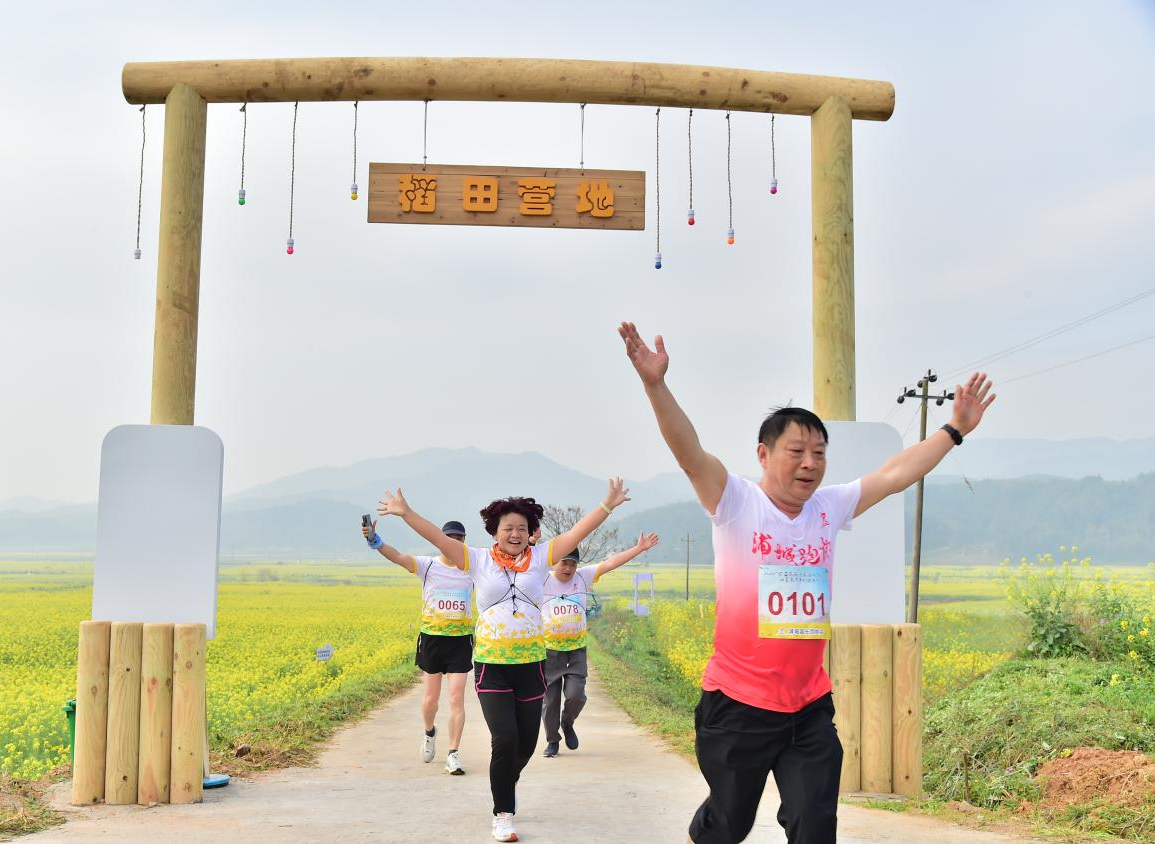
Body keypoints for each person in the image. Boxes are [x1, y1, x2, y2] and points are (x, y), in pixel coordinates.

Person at [617, 321, 996, 844]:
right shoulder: (734, 502)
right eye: (796, 451)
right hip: (737, 706)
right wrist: (655, 385)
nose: (810, 463)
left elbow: (893, 475)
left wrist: (952, 430)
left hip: (807, 707)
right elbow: (688, 450)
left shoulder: (827, 507)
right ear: (764, 455)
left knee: (815, 826)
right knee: (727, 825)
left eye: (818, 453)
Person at [377, 479, 631, 843]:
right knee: (505, 738)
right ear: (494, 532)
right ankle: (503, 814)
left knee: (526, 743)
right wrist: (406, 514)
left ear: (531, 534)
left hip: (531, 666)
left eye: (522, 528)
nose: (515, 534)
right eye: (508, 528)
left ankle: (503, 785)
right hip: (492, 666)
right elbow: (437, 538)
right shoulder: (476, 559)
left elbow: (577, 531)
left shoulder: (542, 558)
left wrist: (607, 505)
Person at [362, 516, 473, 775]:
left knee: (457, 697)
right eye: (450, 539)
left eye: (460, 540)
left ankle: (453, 753)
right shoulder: (428, 566)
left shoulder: (471, 568)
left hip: (460, 641)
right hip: (432, 639)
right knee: (430, 700)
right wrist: (373, 540)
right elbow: (398, 557)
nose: (454, 544)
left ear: (464, 543)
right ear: (441, 541)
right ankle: (429, 732)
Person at [540, 531, 660, 758]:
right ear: (555, 562)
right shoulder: (543, 578)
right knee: (551, 700)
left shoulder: (582, 578)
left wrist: (639, 549)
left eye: (572, 565)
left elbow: (610, 563)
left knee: (576, 695)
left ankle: (567, 723)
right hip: (550, 651)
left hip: (576, 650)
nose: (568, 569)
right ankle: (552, 740)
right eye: (564, 563)